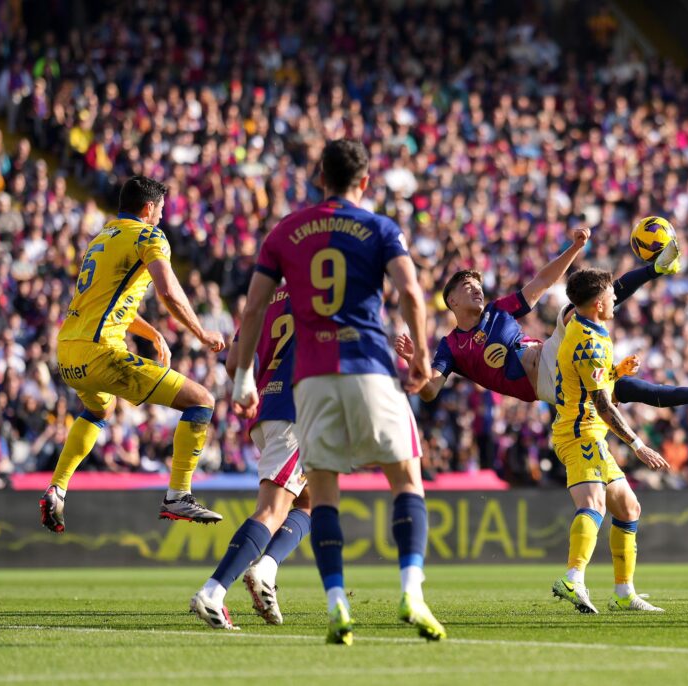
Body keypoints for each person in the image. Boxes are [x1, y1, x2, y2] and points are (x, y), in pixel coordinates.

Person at [231, 139, 445, 644]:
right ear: (365, 182)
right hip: (369, 365)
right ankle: (412, 591)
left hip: (311, 378)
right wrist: (419, 360)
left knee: (321, 495)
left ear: (319, 178)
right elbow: (412, 294)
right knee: (407, 479)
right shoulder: (380, 228)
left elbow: (254, 310)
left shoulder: (284, 231)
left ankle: (336, 605)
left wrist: (243, 376)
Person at [40, 175, 226, 531]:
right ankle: (179, 495)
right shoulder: (148, 236)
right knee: (201, 401)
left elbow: (109, 304)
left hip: (67, 353)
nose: (161, 217)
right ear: (148, 208)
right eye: (160, 210)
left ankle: (58, 488)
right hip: (102, 353)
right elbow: (169, 292)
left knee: (99, 408)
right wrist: (201, 333)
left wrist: (153, 332)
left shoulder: (102, 238)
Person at [396, 229, 688, 412]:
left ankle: (656, 269)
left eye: (477, 284)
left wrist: (575, 249)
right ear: (451, 300)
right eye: (467, 286)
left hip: (553, 352)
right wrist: (415, 359)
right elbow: (429, 392)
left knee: (584, 315)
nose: (476, 290)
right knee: (618, 384)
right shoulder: (450, 347)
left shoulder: (498, 311)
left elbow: (540, 283)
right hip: (544, 384)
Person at [190, 286, 313, 630]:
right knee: (273, 510)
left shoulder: (264, 297)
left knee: (311, 500)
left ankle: (266, 569)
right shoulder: (320, 287)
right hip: (297, 411)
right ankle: (213, 590)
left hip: (266, 408)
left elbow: (232, 363)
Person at [549, 268, 670, 614]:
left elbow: (591, 381)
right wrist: (637, 445)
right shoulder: (589, 341)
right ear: (599, 302)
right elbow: (603, 404)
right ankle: (573, 577)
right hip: (580, 432)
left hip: (588, 430)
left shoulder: (587, 327)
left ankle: (623, 593)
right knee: (595, 504)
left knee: (628, 508)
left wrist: (616, 372)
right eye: (611, 294)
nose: (616, 297)